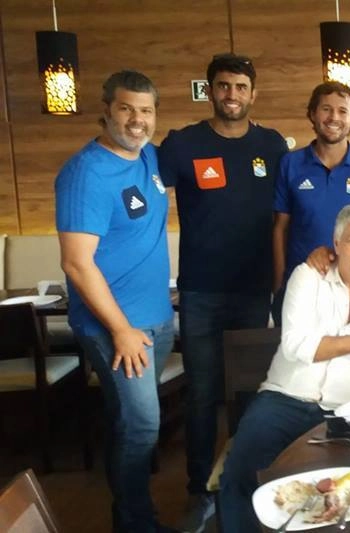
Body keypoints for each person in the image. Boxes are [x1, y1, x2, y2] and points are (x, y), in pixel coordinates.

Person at [218, 203, 350, 532]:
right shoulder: (308, 277)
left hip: (345, 412)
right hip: (283, 400)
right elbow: (299, 347)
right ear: (336, 243)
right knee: (242, 474)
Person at [157, 53, 288, 531]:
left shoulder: (272, 145)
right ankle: (198, 489)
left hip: (254, 289)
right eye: (223, 86)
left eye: (239, 86)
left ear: (253, 93)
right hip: (200, 292)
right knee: (202, 393)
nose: (231, 94)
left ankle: (242, 479)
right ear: (209, 91)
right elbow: (144, 186)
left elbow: (287, 211)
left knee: (250, 393)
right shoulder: (182, 144)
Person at [56, 70, 176, 532]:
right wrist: (122, 330)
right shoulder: (85, 173)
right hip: (116, 328)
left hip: (157, 320)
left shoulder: (149, 157)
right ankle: (135, 524)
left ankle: (128, 512)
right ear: (106, 110)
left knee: (130, 422)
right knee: (143, 424)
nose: (136, 120)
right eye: (126, 109)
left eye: (145, 110)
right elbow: (76, 263)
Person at [272, 81, 350, 325]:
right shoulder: (291, 164)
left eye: (343, 111)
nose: (334, 117)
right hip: (302, 286)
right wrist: (278, 286)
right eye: (326, 109)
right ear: (312, 114)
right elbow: (280, 228)